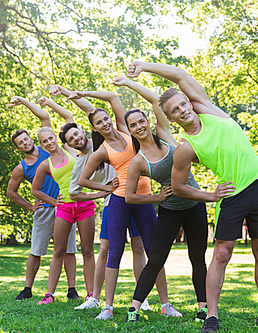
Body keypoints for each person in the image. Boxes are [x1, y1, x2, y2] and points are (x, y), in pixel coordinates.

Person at [127, 61, 258, 332]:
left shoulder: (209, 110)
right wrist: (210, 195)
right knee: (222, 252)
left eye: (183, 104)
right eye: (175, 111)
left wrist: (144, 67)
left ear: (189, 102)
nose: (182, 110)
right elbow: (178, 186)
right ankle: (211, 315)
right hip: (232, 195)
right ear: (171, 119)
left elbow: (180, 75)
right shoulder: (186, 148)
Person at [71, 89, 177, 320]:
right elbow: (82, 181)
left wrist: (79, 93)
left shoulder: (128, 133)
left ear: (111, 119)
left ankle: (165, 304)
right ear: (95, 129)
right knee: (114, 253)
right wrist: (108, 188)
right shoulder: (101, 151)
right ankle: (107, 307)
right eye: (99, 123)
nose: (105, 123)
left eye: (106, 119)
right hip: (120, 201)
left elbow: (112, 97)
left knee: (154, 253)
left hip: (144, 200)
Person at [111, 76, 209, 323]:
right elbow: (130, 196)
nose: (139, 126)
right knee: (155, 259)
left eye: (141, 121)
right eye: (132, 125)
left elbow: (157, 100)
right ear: (130, 130)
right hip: (169, 210)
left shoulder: (165, 134)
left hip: (195, 204)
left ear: (147, 121)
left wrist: (128, 84)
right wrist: (156, 197)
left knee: (197, 258)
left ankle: (203, 306)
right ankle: (134, 308)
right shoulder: (138, 162)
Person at [48, 85, 152, 311]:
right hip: (114, 204)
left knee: (138, 246)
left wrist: (70, 92)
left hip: (137, 197)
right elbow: (75, 191)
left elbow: (92, 110)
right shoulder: (85, 161)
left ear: (84, 131)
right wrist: (101, 191)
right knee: (105, 250)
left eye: (77, 134)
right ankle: (94, 298)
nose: (76, 139)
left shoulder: (102, 138)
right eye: (71, 139)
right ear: (69, 145)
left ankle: (142, 298)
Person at [6, 96, 78, 301]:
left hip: (66, 205)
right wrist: (30, 206)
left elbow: (44, 116)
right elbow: (11, 192)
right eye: (20, 143)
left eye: (26, 139)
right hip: (45, 209)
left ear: (31, 139)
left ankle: (71, 289)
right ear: (18, 148)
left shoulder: (48, 148)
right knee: (36, 250)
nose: (24, 143)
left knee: (68, 250)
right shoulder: (22, 167)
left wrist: (24, 102)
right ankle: (28, 289)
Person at [30, 97, 97, 305]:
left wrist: (50, 102)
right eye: (44, 142)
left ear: (57, 139)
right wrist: (54, 201)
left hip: (85, 204)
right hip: (64, 208)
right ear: (41, 145)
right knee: (58, 251)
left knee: (87, 250)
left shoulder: (71, 149)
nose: (49, 143)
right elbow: (34, 190)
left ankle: (91, 294)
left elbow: (69, 118)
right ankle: (49, 295)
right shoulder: (45, 164)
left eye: (51, 138)